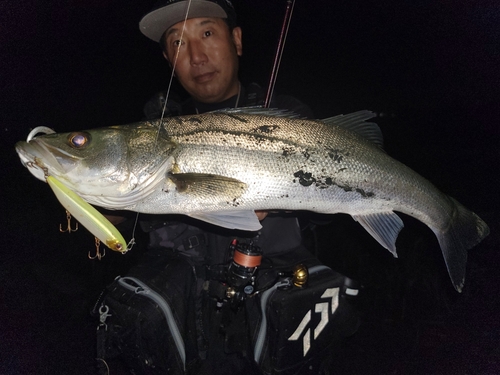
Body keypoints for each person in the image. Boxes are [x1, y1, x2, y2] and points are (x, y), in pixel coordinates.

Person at [96, 1, 359, 374]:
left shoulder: (291, 118)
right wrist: (100, 209)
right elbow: (123, 216)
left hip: (271, 333)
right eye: (177, 43)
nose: (197, 56)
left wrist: (289, 198)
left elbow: (333, 216)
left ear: (235, 39)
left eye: (206, 33)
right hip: (184, 340)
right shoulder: (152, 132)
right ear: (169, 60)